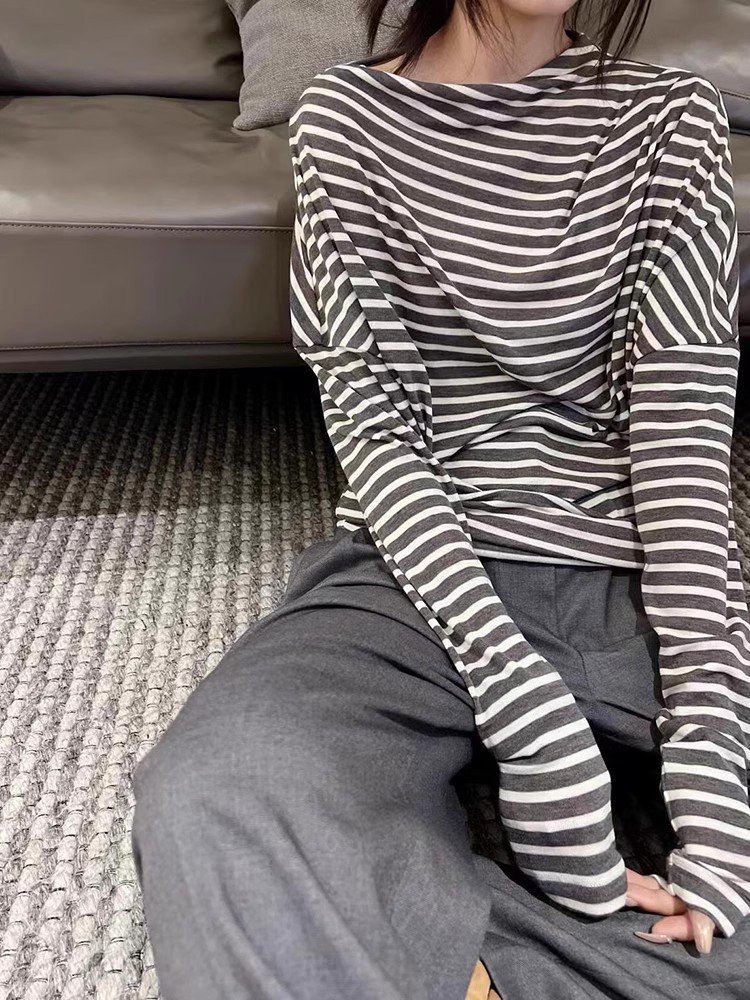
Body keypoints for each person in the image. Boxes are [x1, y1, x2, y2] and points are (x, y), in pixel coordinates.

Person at [130, 1, 750, 998]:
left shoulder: (671, 119)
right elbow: (380, 434)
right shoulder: (344, 118)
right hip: (420, 569)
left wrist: (714, 775)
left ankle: (445, 948)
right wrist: (525, 705)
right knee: (218, 790)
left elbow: (683, 462)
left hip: (630, 573)